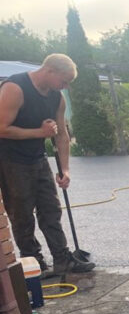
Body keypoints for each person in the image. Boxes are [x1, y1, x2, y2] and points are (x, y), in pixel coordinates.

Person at [0, 53, 94, 277]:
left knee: (51, 209)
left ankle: (63, 260)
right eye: (64, 80)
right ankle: (34, 264)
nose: (66, 86)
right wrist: (38, 133)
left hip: (38, 158)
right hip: (10, 161)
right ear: (49, 71)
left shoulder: (56, 97)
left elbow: (61, 135)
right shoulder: (15, 88)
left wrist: (65, 169)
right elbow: (1, 127)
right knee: (22, 215)